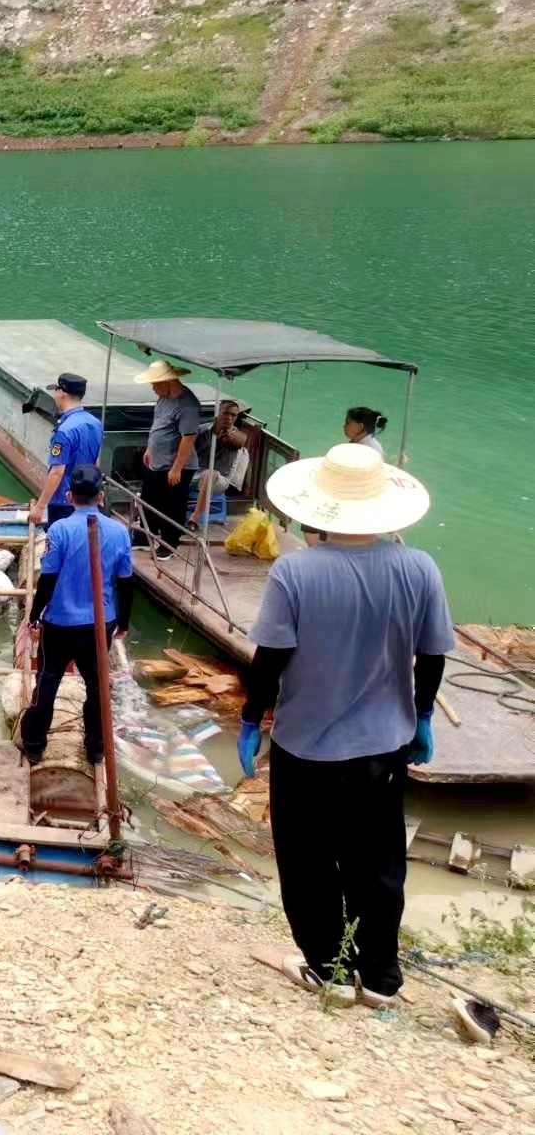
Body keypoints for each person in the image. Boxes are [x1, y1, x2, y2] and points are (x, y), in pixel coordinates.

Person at [238, 443, 450, 1009]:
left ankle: (329, 968)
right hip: (386, 747)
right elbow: (432, 655)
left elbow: (270, 658)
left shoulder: (294, 572)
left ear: (317, 508)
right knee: (378, 864)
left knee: (307, 863)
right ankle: (380, 978)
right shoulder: (419, 567)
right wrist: (423, 713)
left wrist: (250, 719)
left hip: (306, 748)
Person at [19, 464, 135, 767]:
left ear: (69, 495)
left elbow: (48, 579)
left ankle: (34, 744)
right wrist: (123, 622)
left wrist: (33, 617)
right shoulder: (120, 532)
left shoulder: (59, 530)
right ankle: (95, 747)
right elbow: (126, 582)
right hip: (99, 622)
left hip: (59, 622)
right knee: (97, 685)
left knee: (48, 680)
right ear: (101, 496)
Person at [134, 358, 201, 561]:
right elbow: (158, 425)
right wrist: (149, 448)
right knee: (149, 499)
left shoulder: (187, 405)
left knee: (172, 505)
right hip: (157, 460)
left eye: (155, 384)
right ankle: (144, 537)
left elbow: (188, 438)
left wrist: (176, 468)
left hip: (176, 465)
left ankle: (169, 544)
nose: (153, 388)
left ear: (169, 381)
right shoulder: (164, 398)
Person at [30, 372, 102, 526]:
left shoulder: (65, 430)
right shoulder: (95, 423)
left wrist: (40, 506)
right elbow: (96, 461)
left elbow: (57, 472)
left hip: (64, 501)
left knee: (61, 541)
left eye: (56, 391)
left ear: (62, 393)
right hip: (87, 498)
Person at [189, 398, 250, 527]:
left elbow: (240, 440)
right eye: (225, 413)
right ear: (217, 413)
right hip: (195, 476)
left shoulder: (238, 435)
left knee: (211, 474)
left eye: (233, 415)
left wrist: (226, 434)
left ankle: (195, 518)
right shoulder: (202, 430)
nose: (229, 418)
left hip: (220, 481)